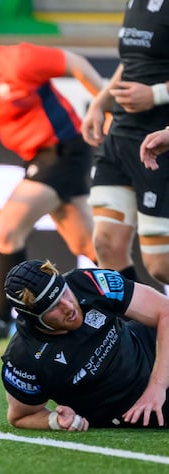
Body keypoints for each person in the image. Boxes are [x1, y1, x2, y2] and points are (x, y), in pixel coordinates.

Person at [0, 16, 103, 344]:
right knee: (91, 245)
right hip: (38, 159)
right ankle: (142, 305)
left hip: (66, 148)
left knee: (7, 226)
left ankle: (3, 320)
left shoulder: (18, 59)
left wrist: (105, 105)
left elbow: (75, 63)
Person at [1, 259, 169, 430]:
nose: (68, 306)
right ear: (34, 319)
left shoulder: (86, 282)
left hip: (152, 349)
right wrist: (55, 421)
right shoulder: (24, 358)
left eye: (64, 293)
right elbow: (20, 416)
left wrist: (157, 386)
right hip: (132, 409)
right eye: (54, 307)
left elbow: (165, 311)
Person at [81, 1, 169, 288]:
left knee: (161, 266)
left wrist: (157, 93)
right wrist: (99, 102)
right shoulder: (135, 2)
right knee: (105, 244)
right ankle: (134, 332)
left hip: (157, 143)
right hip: (119, 137)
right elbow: (130, 64)